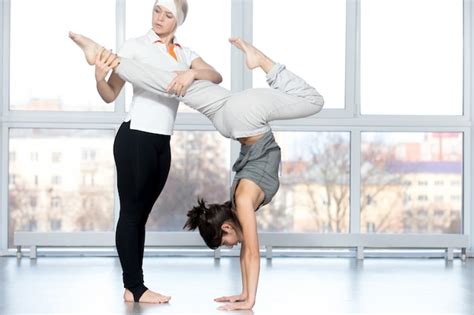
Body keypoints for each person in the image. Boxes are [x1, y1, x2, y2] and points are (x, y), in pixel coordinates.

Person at [70, 33, 324, 310]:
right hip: (237, 119)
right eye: (227, 243)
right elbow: (249, 250)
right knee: (312, 100)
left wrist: (247, 297)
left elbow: (249, 250)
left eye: (226, 242)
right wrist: (247, 297)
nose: (231, 245)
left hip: (239, 118)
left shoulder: (241, 201)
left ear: (227, 225)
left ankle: (105, 55)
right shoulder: (241, 201)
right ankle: (261, 60)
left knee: (172, 83)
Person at [70, 0, 223, 304]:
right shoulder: (135, 46)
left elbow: (215, 76)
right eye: (156, 10)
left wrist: (191, 74)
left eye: (168, 15)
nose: (160, 19)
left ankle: (132, 287)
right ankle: (135, 287)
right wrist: (99, 77)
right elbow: (110, 93)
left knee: (140, 215)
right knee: (130, 213)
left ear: (177, 21)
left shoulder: (185, 54)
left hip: (161, 141)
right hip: (135, 136)